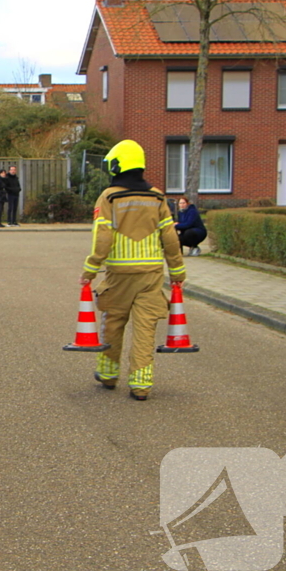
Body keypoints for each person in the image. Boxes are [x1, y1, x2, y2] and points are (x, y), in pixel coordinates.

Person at [81, 140, 186, 401]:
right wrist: (177, 271)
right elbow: (170, 238)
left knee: (114, 323)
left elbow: (103, 238)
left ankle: (108, 374)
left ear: (117, 165)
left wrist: (91, 268)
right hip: (151, 275)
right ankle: (141, 385)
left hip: (118, 275)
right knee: (145, 328)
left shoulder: (109, 197)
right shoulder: (158, 197)